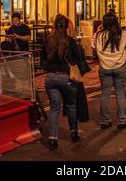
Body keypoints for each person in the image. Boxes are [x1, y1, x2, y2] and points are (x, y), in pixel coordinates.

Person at [42, 14, 82, 150]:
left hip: (51, 77)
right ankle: (74, 133)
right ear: (66, 27)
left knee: (54, 109)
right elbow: (78, 57)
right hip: (67, 77)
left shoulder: (48, 40)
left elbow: (43, 59)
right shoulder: (70, 41)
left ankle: (53, 139)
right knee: (71, 106)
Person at [94, 14, 126, 129]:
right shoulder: (124, 34)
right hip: (120, 67)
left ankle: (105, 120)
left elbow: (94, 48)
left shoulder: (99, 35)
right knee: (120, 93)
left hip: (104, 67)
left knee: (105, 93)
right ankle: (122, 119)